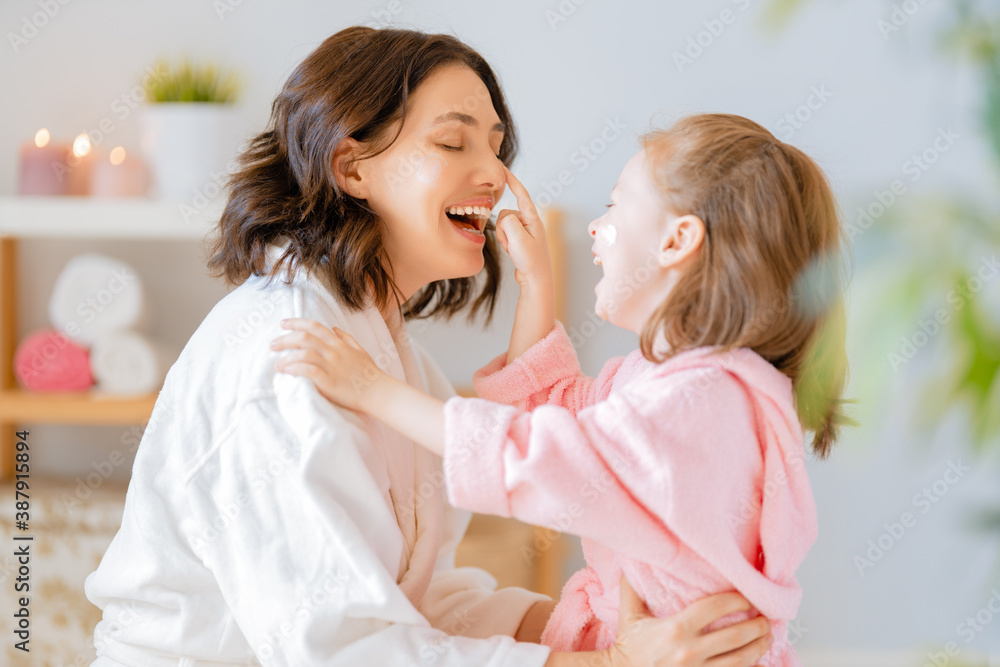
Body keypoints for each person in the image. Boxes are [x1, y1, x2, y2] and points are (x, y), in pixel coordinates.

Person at [84, 28, 773, 667]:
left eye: (497, 147)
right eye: (455, 143)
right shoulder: (285, 358)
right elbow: (347, 649)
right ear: (351, 166)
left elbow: (418, 599)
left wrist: (585, 625)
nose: (496, 173)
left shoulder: (393, 360)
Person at [270, 114, 851, 665]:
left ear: (677, 242)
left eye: (614, 206)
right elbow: (547, 411)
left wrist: (372, 389)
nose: (598, 226)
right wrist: (536, 279)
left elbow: (535, 452)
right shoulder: (672, 384)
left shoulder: (701, 404)